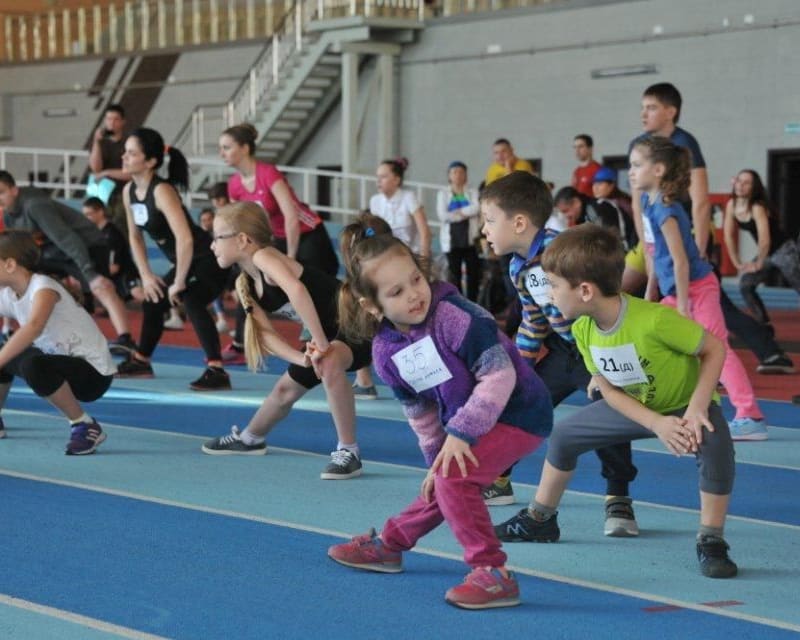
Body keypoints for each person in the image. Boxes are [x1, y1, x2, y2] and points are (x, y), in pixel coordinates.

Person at [327, 221, 552, 609]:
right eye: (396, 292)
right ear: (371, 306)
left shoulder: (454, 316)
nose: (414, 294)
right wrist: (436, 462)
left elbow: (500, 375)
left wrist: (460, 436)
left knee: (454, 478)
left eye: (416, 280)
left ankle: (493, 572)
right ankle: (390, 545)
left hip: (519, 410)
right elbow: (422, 414)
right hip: (472, 422)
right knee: (445, 482)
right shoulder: (386, 352)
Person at [510, 223, 738, 579]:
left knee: (715, 445)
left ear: (585, 290)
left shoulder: (655, 320)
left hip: (685, 403)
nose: (549, 295)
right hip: (635, 406)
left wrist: (696, 408)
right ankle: (540, 518)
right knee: (564, 436)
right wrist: (656, 423)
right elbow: (609, 391)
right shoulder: (582, 330)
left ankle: (711, 538)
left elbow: (714, 349)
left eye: (554, 285)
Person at [481, 171, 640, 538]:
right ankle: (500, 478)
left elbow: (602, 299)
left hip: (597, 349)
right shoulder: (517, 266)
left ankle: (618, 496)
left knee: (610, 414)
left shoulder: (562, 251)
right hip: (562, 351)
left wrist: (607, 354)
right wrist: (519, 370)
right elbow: (533, 320)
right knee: (522, 405)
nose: (484, 230)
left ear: (519, 223)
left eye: (489, 220)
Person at [627, 82, 792, 377]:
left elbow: (701, 202)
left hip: (686, 234)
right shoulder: (639, 144)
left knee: (712, 304)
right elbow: (637, 202)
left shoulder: (685, 143)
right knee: (624, 291)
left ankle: (767, 351)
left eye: (651, 108)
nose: (643, 114)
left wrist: (700, 247)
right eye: (642, 108)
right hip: (653, 237)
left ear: (670, 112)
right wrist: (646, 245)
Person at [201, 201, 371, 479]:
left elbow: (296, 290)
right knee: (284, 390)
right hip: (329, 333)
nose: (212, 246)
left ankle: (349, 451)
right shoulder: (245, 282)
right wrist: (301, 358)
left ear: (242, 240)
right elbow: (266, 335)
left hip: (359, 324)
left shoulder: (264, 257)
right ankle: (250, 438)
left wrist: (320, 344)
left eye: (217, 237)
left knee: (328, 362)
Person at [630, 136, 767, 441]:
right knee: (649, 335)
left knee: (717, 347)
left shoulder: (666, 209)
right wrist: (651, 288)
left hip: (696, 288)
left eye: (637, 165)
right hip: (674, 289)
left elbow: (680, 260)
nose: (631, 171)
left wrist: (682, 305)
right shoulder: (648, 204)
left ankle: (750, 415)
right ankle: (668, 400)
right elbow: (654, 252)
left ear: (658, 170)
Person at [114, 128, 232, 391]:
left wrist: (178, 281)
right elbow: (135, 237)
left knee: (190, 298)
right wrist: (146, 275)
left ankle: (217, 370)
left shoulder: (162, 191)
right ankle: (141, 361)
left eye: (131, 153)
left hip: (208, 257)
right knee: (154, 298)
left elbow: (185, 238)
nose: (124, 157)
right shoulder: (129, 190)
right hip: (186, 260)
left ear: (150, 161)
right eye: (125, 152)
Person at [218, 124, 339, 366]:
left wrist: (290, 256)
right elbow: (235, 222)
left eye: (227, 147)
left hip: (307, 233)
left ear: (245, 148)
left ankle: (325, 338)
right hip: (274, 238)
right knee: (248, 283)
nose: (222, 153)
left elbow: (291, 216)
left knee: (316, 290)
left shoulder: (268, 173)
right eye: (221, 148)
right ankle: (241, 343)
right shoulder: (234, 185)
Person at [0, 230, 114, 454]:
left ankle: (84, 424)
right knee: (10, 354)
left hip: (93, 373)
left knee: (31, 364)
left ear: (10, 264)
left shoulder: (43, 287)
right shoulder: (9, 294)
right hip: (58, 364)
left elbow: (34, 327)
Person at [0, 170, 136, 356]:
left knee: (101, 287)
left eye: (1, 192)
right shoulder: (9, 215)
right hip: (55, 251)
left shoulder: (35, 205)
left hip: (87, 244)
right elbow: (17, 252)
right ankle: (8, 330)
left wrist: (90, 274)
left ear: (14, 190)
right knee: (15, 275)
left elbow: (67, 239)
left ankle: (125, 339)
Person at [724, 170, 789, 326]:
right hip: (767, 253)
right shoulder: (731, 204)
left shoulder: (757, 207)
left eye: (746, 183)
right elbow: (728, 236)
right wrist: (737, 262)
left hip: (785, 250)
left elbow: (764, 239)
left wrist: (759, 262)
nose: (741, 185)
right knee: (746, 285)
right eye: (739, 181)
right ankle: (764, 325)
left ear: (754, 187)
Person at [435, 161, 482, 301]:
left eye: (461, 172)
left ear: (466, 175)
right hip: (452, 240)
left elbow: (477, 208)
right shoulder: (443, 193)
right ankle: (459, 302)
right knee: (455, 274)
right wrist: (464, 214)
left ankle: (473, 302)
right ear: (449, 176)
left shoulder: (473, 192)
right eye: (454, 172)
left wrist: (456, 213)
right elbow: (442, 215)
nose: (458, 175)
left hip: (470, 239)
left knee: (473, 273)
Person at [82, 196, 142, 304]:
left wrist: (91, 276)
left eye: (89, 214)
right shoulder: (95, 234)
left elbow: (114, 268)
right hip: (112, 278)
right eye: (84, 215)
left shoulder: (112, 235)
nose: (86, 218)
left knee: (139, 294)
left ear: (100, 212)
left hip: (126, 276)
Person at [369, 158, 432, 258]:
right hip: (386, 256)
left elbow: (425, 232)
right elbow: (373, 231)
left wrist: (424, 260)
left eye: (384, 176)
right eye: (377, 177)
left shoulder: (409, 197)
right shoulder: (374, 201)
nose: (378, 181)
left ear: (397, 180)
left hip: (411, 256)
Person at [554, 186, 637, 251]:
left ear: (576, 202)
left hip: (627, 250)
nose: (565, 216)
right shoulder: (583, 215)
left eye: (566, 211)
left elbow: (607, 240)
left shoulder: (595, 209)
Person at [88, 103, 129, 235]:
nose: (111, 123)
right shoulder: (101, 143)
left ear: (123, 122)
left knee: (120, 225)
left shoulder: (128, 143)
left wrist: (107, 172)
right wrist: (96, 142)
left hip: (122, 191)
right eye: (108, 119)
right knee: (99, 226)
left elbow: (130, 173)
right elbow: (96, 168)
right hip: (103, 192)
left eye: (116, 119)